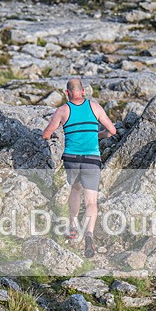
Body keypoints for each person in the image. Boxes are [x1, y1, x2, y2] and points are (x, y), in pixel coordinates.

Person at [41, 78, 117, 258]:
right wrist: (97, 135)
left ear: (67, 93)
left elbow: (46, 134)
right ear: (83, 91)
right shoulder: (95, 107)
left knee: (75, 189)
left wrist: (54, 136)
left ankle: (73, 225)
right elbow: (112, 131)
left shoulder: (63, 110)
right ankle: (89, 234)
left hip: (71, 159)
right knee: (91, 202)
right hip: (92, 159)